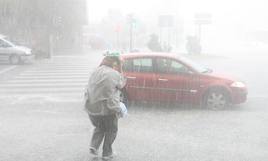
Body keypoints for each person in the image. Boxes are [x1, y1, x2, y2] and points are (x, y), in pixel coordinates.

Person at [84, 56, 126, 159]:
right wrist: (121, 67)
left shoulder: (95, 71)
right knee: (111, 129)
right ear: (114, 64)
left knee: (100, 126)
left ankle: (94, 146)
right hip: (108, 108)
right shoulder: (114, 74)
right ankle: (107, 153)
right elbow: (121, 85)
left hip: (92, 106)